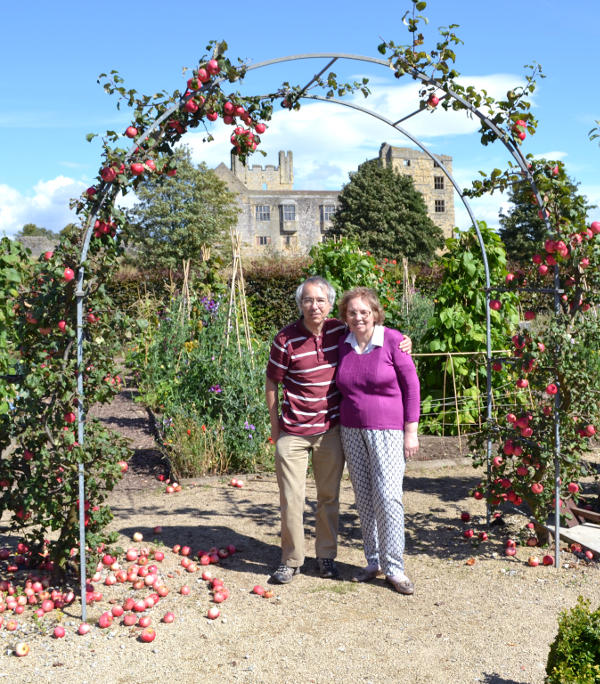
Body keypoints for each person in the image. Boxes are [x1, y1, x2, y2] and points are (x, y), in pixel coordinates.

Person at [265, 276, 411, 584]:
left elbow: (373, 329)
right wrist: (275, 429)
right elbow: (272, 382)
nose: (314, 306)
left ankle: (327, 558)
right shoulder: (286, 339)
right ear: (299, 304)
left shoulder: (340, 332)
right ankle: (291, 560)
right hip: (295, 431)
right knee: (292, 498)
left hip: (331, 430)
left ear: (330, 306)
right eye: (307, 300)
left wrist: (404, 340)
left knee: (331, 497)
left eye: (320, 300)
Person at [336, 287, 420, 595]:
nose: (359, 317)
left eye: (364, 311)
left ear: (375, 313)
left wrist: (411, 431)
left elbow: (412, 387)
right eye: (352, 312)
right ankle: (372, 561)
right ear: (345, 316)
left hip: (387, 431)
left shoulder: (393, 341)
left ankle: (394, 568)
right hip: (351, 430)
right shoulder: (342, 343)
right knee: (365, 497)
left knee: (388, 496)